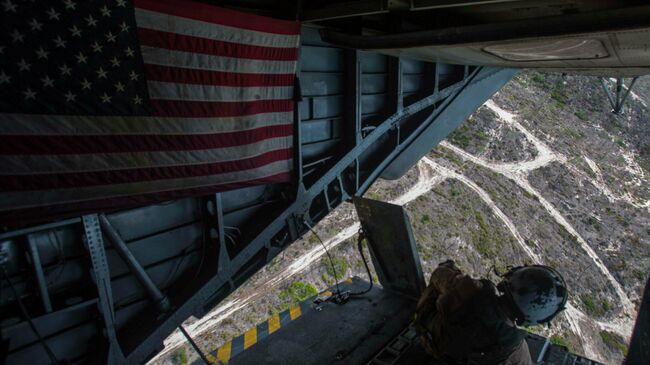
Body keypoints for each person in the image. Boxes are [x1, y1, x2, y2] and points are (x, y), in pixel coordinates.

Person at [414, 260, 568, 365]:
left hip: (432, 340)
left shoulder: (468, 289)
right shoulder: (517, 350)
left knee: (448, 269)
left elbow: (438, 274)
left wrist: (452, 273)